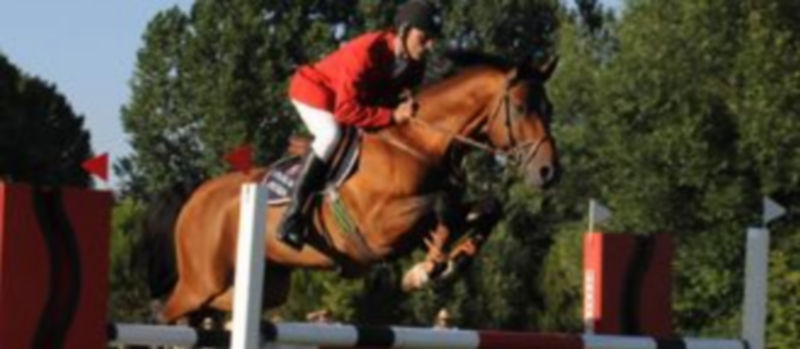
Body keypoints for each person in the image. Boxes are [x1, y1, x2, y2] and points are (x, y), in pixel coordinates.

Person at [279, 0, 443, 250]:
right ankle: (293, 216)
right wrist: (392, 116)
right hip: (314, 91)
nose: (429, 46)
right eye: (424, 37)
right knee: (330, 134)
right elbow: (345, 110)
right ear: (403, 31)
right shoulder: (367, 51)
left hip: (349, 101)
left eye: (433, 39)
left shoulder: (415, 65)